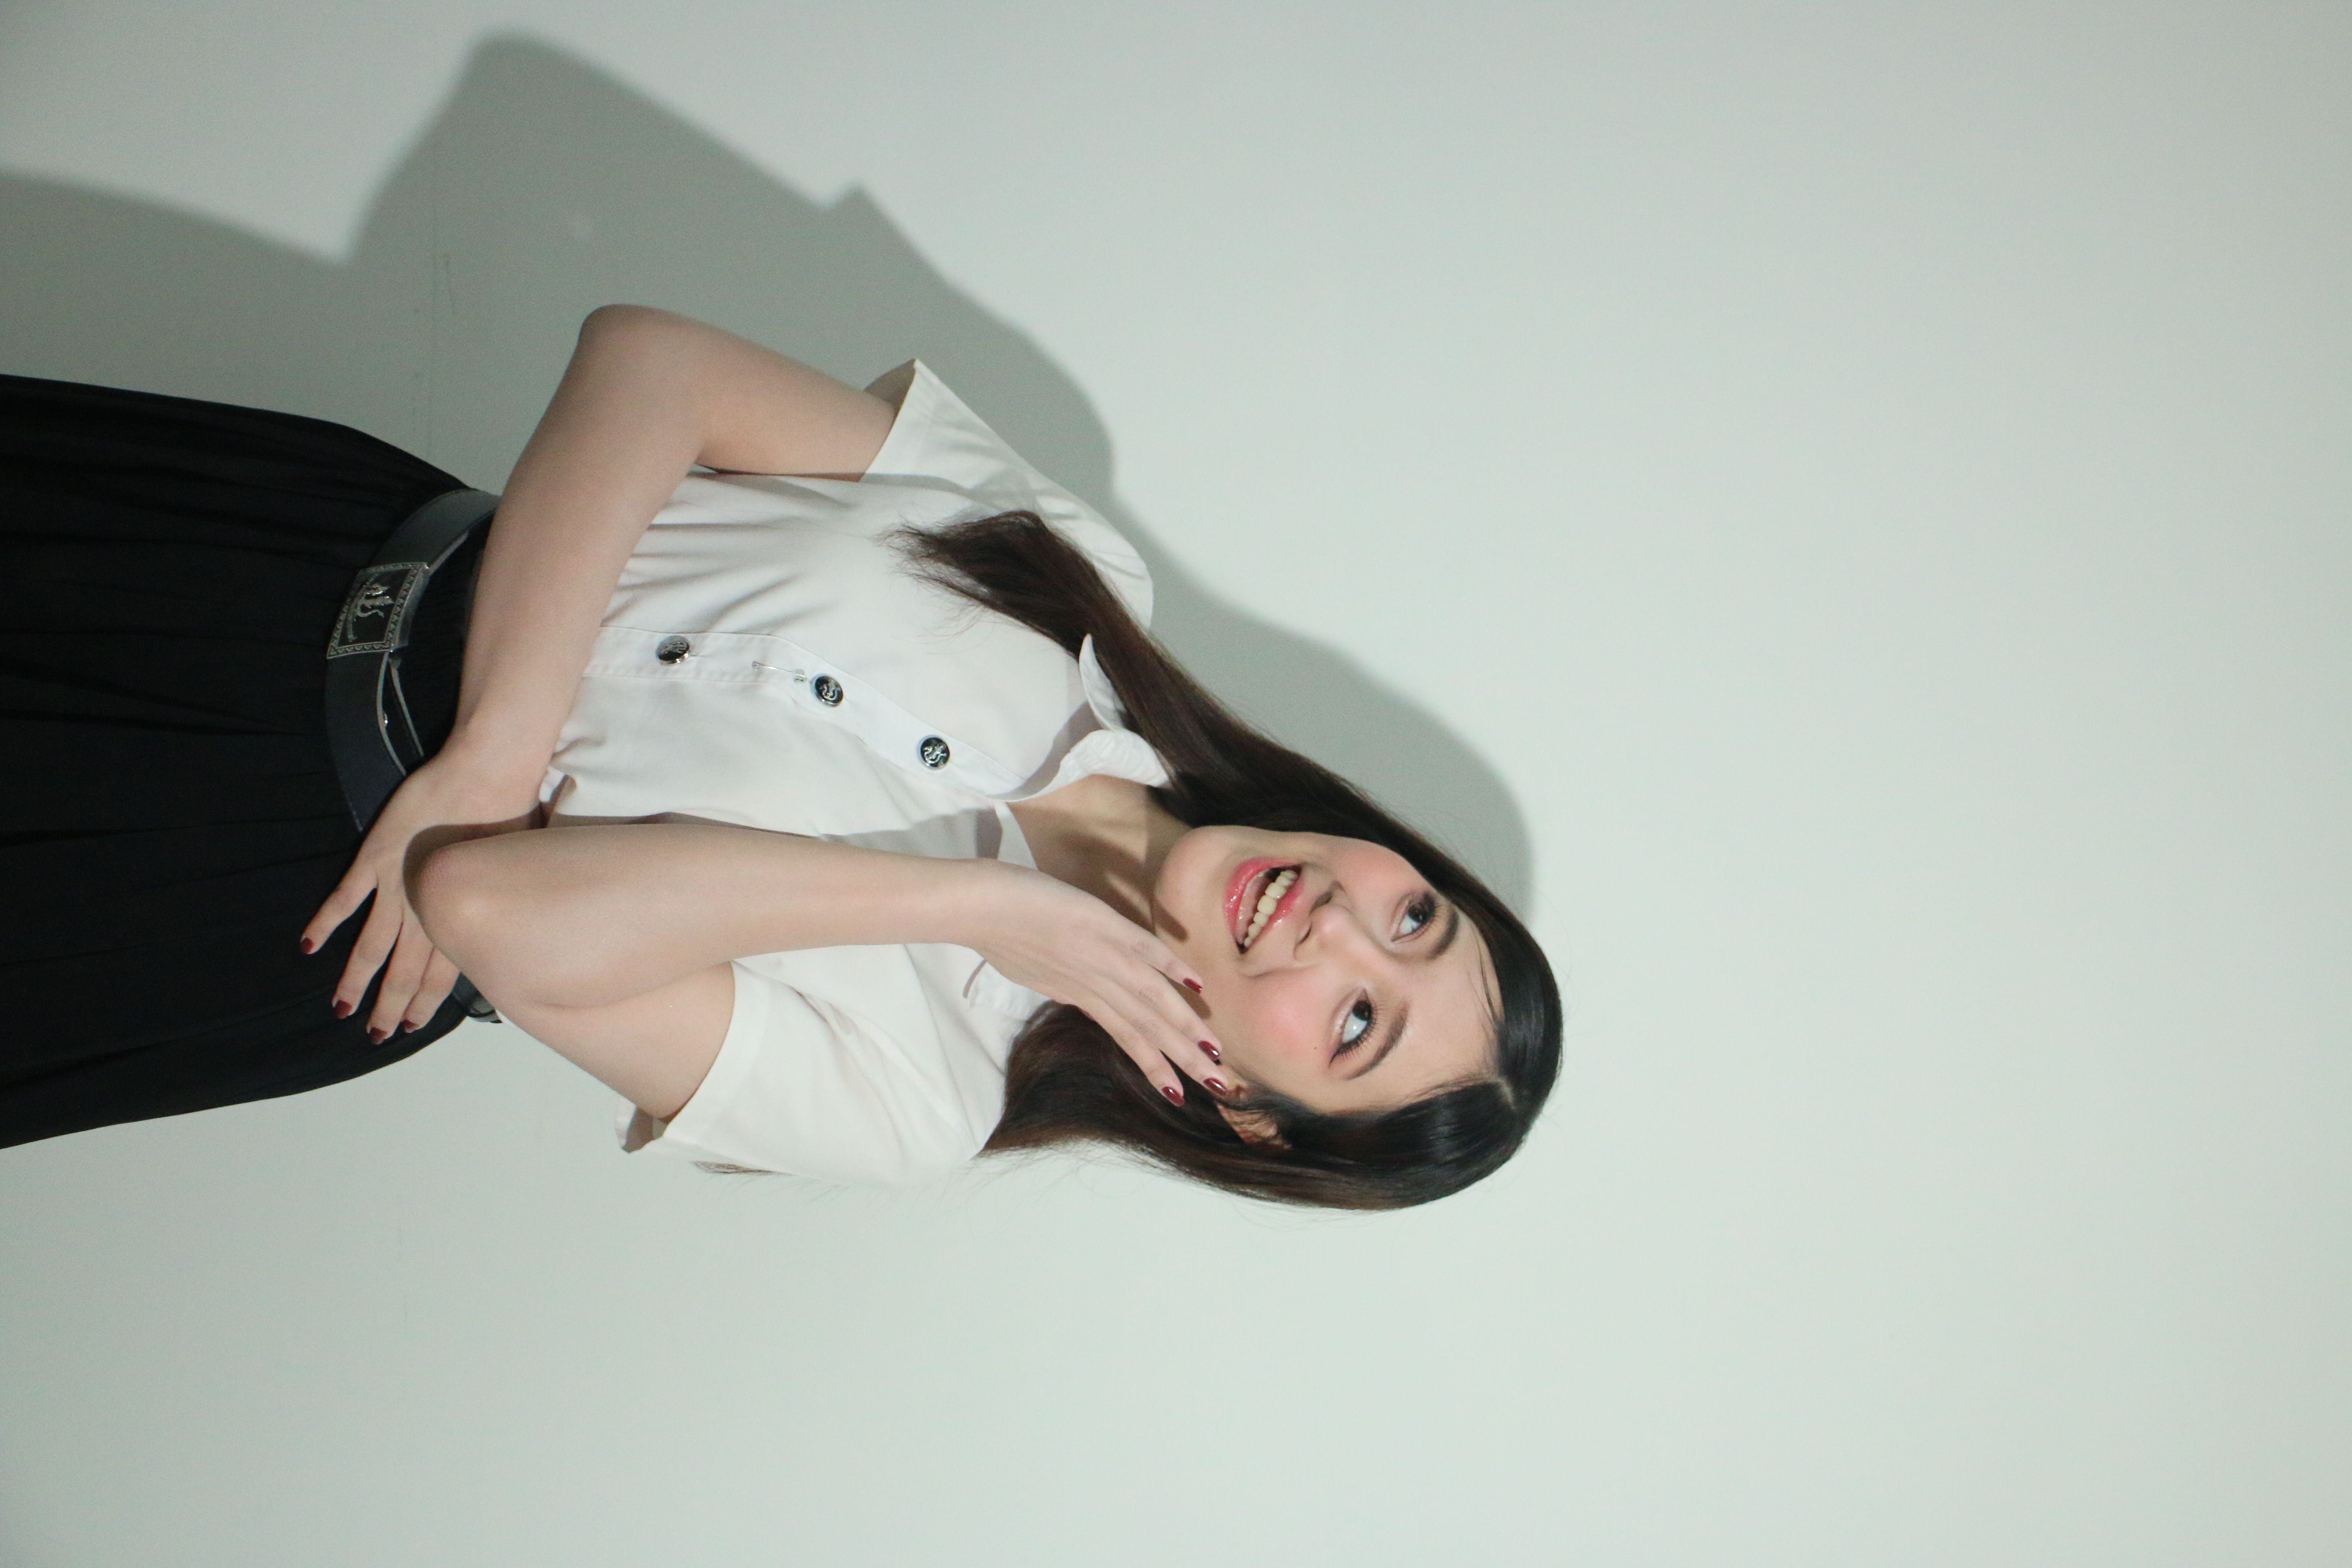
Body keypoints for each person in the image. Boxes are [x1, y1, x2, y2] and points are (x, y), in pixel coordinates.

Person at [1, 306, 1559, 1208]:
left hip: (219, 890)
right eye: (1416, 915)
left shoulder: (923, 1102)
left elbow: (486, 911)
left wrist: (981, 911)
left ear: (1254, 1116)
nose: (1344, 927)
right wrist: (494, 754)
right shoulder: (1087, 580)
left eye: (1358, 1020)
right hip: (257, 552)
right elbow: (650, 367)